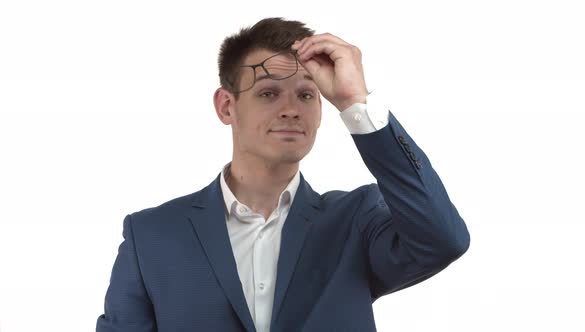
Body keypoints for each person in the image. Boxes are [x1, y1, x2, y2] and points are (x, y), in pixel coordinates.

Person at [96, 17, 470, 332]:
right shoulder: (152, 236)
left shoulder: (355, 221)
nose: (291, 109)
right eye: (268, 93)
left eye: (306, 95)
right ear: (227, 106)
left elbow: (443, 240)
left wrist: (355, 103)